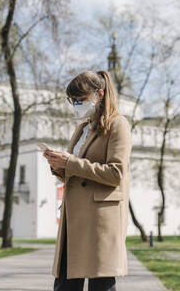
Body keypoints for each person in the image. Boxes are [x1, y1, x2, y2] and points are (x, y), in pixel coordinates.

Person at [43, 70, 132, 291]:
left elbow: (115, 173)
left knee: (99, 285)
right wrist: (58, 166)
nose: (75, 105)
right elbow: (76, 170)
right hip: (73, 217)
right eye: (72, 100)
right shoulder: (83, 127)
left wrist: (70, 162)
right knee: (64, 283)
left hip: (99, 220)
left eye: (80, 100)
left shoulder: (118, 125)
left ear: (99, 94)